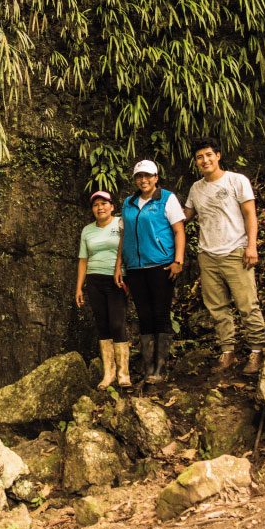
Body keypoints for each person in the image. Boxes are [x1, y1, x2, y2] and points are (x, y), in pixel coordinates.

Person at [183, 137, 265, 375]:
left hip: (235, 251)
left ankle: (256, 352)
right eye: (200, 157)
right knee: (217, 307)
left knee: (247, 304)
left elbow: (250, 215)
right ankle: (227, 352)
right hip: (207, 255)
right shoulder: (196, 188)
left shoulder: (236, 180)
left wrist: (252, 246)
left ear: (218, 155)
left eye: (209, 155)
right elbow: (184, 216)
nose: (205, 160)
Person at [114, 160, 186, 382]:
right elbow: (124, 236)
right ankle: (148, 367)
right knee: (144, 315)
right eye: (139, 176)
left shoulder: (166, 198)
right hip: (135, 268)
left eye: (148, 176)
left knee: (160, 314)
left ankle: (160, 368)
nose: (143, 180)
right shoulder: (129, 202)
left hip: (160, 266)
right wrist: (118, 266)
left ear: (156, 177)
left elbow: (179, 231)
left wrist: (178, 260)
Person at [76, 191, 131, 388]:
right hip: (93, 280)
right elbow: (83, 259)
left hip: (115, 279)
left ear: (112, 206)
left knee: (117, 323)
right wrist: (79, 288)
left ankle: (124, 373)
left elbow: (128, 249)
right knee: (102, 325)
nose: (100, 207)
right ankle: (109, 374)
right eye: (96, 205)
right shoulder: (87, 230)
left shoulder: (121, 223)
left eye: (104, 203)